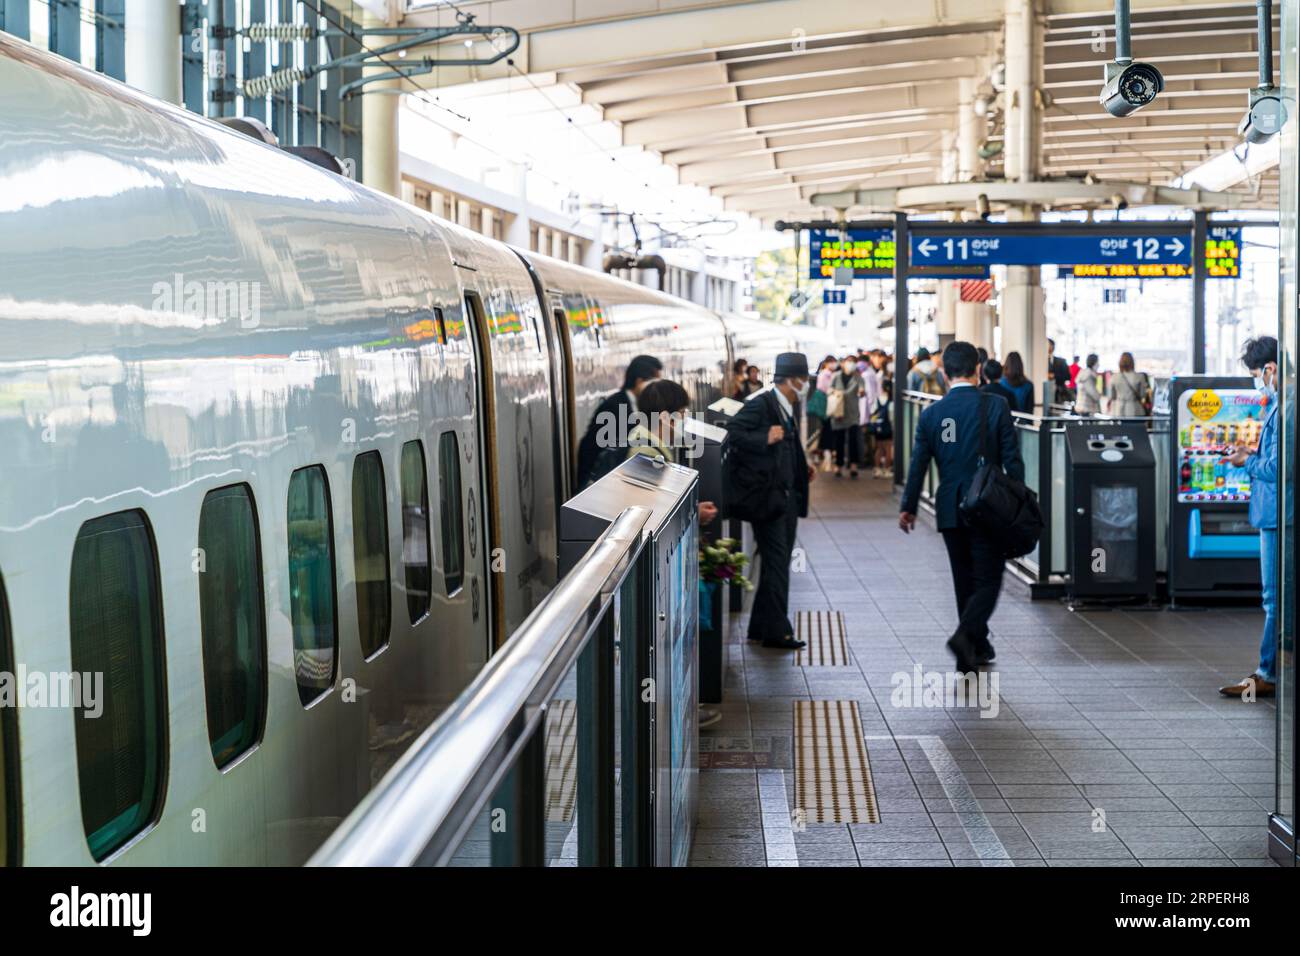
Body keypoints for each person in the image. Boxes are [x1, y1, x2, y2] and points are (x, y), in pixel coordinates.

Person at [899, 341, 1025, 672]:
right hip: (987, 506)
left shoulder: (931, 414)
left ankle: (974, 648)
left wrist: (908, 506)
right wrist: (1019, 498)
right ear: (978, 370)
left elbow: (918, 465)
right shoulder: (995, 406)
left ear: (944, 372)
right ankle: (965, 636)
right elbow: (1013, 459)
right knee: (989, 578)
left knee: (963, 578)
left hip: (949, 506)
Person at [727, 352, 815, 649]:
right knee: (777, 563)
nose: (806, 386)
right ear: (792, 381)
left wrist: (802, 470)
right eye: (804, 380)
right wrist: (765, 436)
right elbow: (734, 433)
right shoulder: (761, 405)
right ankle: (779, 632)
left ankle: (760, 626)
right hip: (768, 500)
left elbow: (788, 448)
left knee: (774, 563)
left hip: (784, 497)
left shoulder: (785, 404)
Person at [1220, 336, 1279, 700]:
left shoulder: (1284, 407)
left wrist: (1246, 461)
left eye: (1258, 374)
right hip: (1274, 511)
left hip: (1277, 515)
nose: (1258, 381)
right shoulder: (1278, 404)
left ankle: (1267, 672)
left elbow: (1277, 467)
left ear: (1271, 370)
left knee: (1274, 598)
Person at [576, 354, 662, 488]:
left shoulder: (638, 405)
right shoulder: (614, 407)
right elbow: (595, 449)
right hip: (603, 483)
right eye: (654, 384)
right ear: (639, 382)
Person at [828, 354, 866, 478]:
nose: (851, 364)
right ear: (843, 363)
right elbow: (829, 390)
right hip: (839, 412)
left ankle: (853, 465)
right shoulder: (836, 376)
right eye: (849, 361)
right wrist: (835, 393)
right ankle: (838, 465)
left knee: (853, 439)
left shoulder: (858, 378)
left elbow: (862, 391)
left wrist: (861, 392)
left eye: (853, 362)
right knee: (839, 439)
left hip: (852, 413)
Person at [1108, 351, 1149, 417]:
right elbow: (1142, 395)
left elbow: (1111, 396)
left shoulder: (1114, 377)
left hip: (1118, 410)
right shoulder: (1140, 377)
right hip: (1135, 410)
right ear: (1132, 362)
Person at [868, 379, 893, 478]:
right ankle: (886, 470)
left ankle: (877, 469)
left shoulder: (877, 399)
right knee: (888, 449)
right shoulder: (891, 401)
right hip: (887, 428)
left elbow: (872, 412)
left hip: (878, 428)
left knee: (879, 449)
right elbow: (892, 417)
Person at [1047, 338, 1072, 404]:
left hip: (1059, 396)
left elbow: (1068, 377)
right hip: (1044, 395)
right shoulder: (1039, 362)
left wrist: (1054, 376)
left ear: (1052, 346)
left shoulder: (1061, 361)